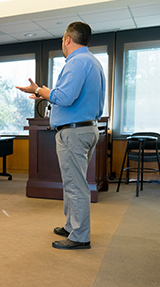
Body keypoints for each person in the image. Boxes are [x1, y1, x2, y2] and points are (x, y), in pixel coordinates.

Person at [16, 21, 105, 250]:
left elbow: (65, 98)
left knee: (75, 185)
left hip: (74, 132)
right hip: (87, 127)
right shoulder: (93, 62)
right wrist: (47, 94)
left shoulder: (76, 62)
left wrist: (40, 91)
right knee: (72, 182)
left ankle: (79, 236)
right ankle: (71, 225)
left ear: (67, 39)